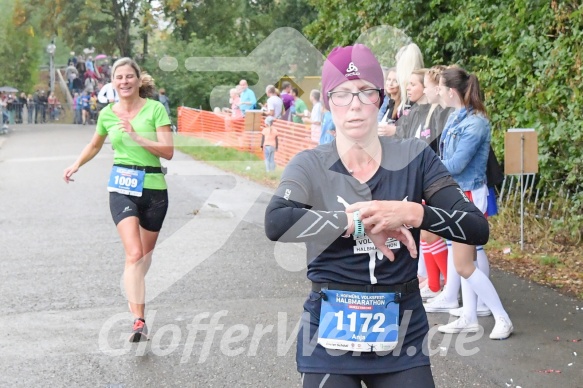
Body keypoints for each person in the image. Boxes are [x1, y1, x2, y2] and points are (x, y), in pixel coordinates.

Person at [264, 44, 489, 387]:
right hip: (328, 336)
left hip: (402, 333)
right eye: (341, 94)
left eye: (365, 92)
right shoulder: (310, 164)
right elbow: (276, 221)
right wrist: (358, 223)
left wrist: (412, 212)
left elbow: (475, 227)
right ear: (327, 102)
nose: (354, 105)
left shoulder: (415, 156)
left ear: (381, 98)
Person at [63, 57, 173, 342]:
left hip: (154, 188)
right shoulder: (107, 114)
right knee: (134, 253)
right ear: (112, 82)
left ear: (138, 80)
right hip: (122, 186)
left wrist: (137, 137)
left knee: (142, 260)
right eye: (119, 77)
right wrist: (76, 164)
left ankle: (134, 291)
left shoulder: (155, 109)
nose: (124, 82)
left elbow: (168, 151)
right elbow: (95, 144)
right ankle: (138, 320)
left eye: (129, 77)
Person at [425, 66, 513, 340]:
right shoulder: (455, 117)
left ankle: (500, 317)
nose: (438, 91)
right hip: (455, 194)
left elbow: (457, 164)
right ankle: (470, 315)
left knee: (465, 263)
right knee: (464, 258)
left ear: (451, 91)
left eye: (440, 87)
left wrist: (425, 165)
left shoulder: (476, 123)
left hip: (468, 198)